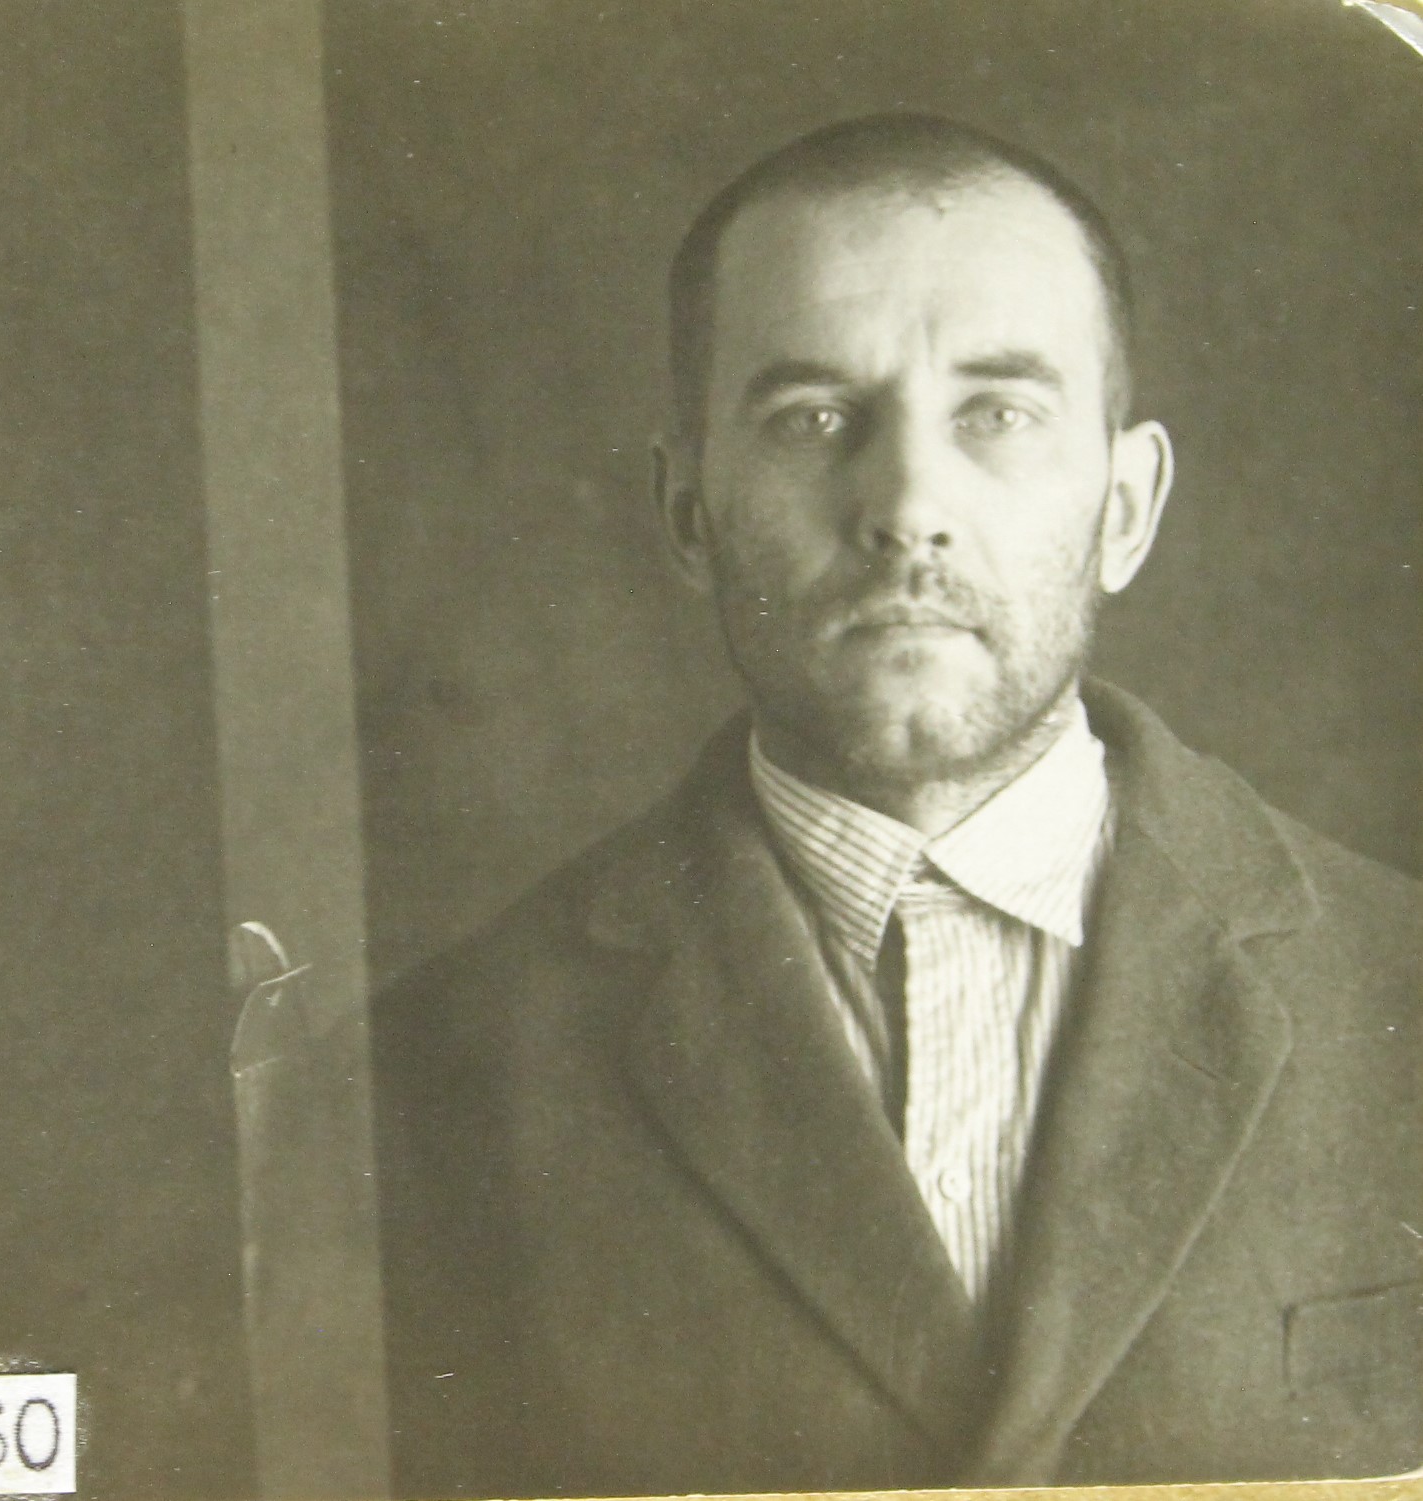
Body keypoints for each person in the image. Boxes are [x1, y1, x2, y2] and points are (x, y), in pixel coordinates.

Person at [375, 114, 1420, 1497]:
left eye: (998, 412)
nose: (907, 504)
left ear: (1124, 508)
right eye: (813, 419)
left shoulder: (1398, 986)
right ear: (687, 511)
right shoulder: (420, 1085)